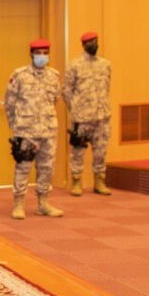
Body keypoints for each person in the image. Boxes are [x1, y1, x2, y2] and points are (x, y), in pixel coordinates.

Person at [5, 39, 64, 219]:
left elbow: (55, 100)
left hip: (48, 130)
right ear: (31, 54)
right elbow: (9, 103)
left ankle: (43, 203)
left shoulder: (54, 76)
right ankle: (18, 204)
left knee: (47, 168)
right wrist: (16, 127)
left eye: (45, 53)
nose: (42, 56)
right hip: (25, 130)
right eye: (38, 53)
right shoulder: (20, 75)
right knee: (23, 167)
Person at [63, 32, 112, 196]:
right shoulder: (74, 65)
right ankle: (76, 182)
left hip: (102, 116)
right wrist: (76, 108)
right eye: (90, 42)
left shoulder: (105, 64)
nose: (94, 44)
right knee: (77, 150)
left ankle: (100, 181)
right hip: (81, 118)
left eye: (95, 41)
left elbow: (107, 87)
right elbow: (67, 91)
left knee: (101, 150)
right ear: (84, 44)